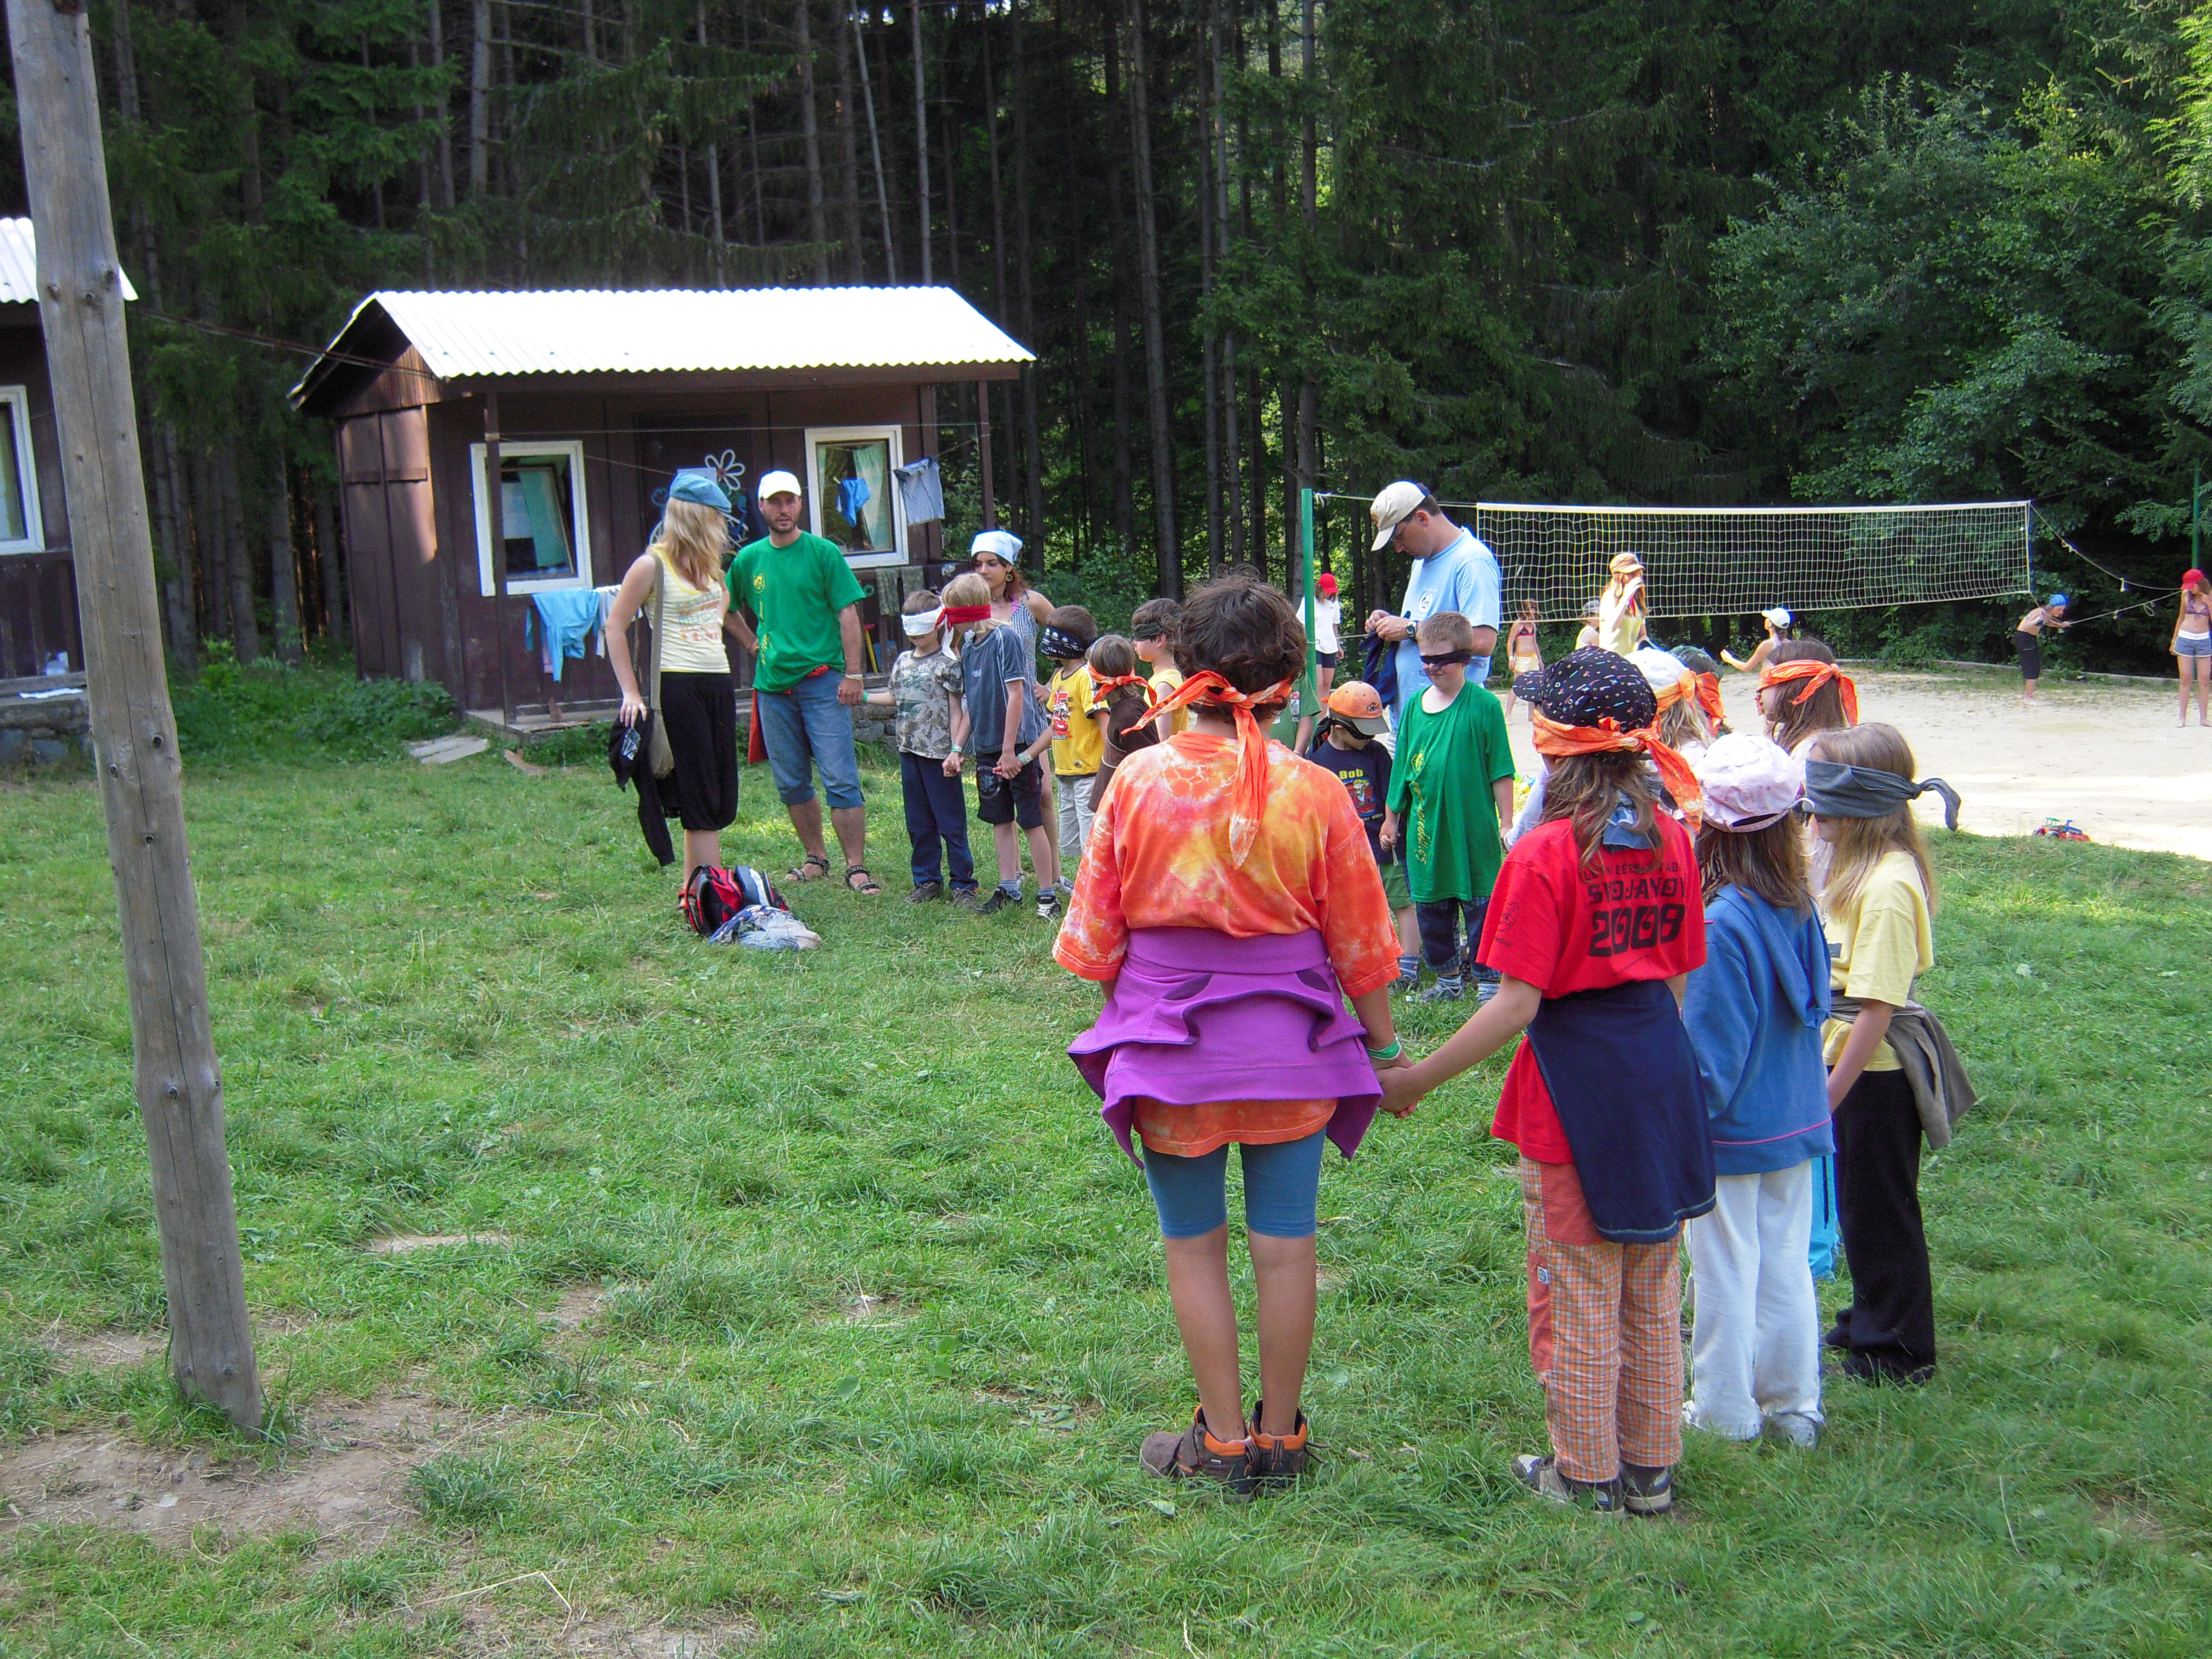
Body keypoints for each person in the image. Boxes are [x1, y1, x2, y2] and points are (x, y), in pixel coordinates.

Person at [1056, 574, 1407, 1498]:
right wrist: (1386, 1051)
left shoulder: (1137, 779)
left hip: (1170, 1054)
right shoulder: (1317, 790)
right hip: (1293, 1050)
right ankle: (1281, 1439)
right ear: (1287, 682)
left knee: (1193, 1245)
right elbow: (1363, 943)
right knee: (1286, 1245)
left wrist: (1139, 998)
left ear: (1185, 667)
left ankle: (1218, 1443)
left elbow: (1094, 944)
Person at [1379, 649, 1711, 1515]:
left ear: (1554, 744)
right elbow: (1679, 979)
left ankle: (1586, 1474)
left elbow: (1517, 1003)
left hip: (1575, 1090)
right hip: (1660, 1079)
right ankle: (1651, 1471)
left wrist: (1417, 1079)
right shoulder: (1675, 837)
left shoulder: (1545, 853)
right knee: (1651, 1280)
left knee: (1577, 1286)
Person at [1680, 734, 1834, 1450]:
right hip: (1795, 1119)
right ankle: (1795, 1406)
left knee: (1723, 1269)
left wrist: (1682, 1128)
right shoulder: (1797, 903)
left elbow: (1711, 1058)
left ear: (1710, 824)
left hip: (1733, 1130)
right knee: (1784, 1264)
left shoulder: (1720, 923)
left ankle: (1725, 1410)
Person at [1806, 724, 1971, 1387]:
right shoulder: (1852, 868)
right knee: (1856, 1205)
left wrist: (1832, 1094)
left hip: (1873, 1073)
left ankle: (1898, 1351)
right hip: (1845, 1059)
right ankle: (1867, 1319)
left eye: (1823, 792)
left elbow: (1877, 1007)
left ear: (1862, 802)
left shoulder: (1889, 885)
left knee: (1880, 1208)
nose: (1810, 806)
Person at [729, 469, 879, 895]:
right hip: (773, 687)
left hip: (822, 683)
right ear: (761, 506)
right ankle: (816, 857)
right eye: (775, 502)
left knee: (840, 777)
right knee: (791, 781)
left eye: (790, 501)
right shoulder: (748, 559)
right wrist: (751, 643)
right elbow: (726, 606)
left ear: (799, 504)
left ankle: (856, 866)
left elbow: (848, 613)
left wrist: (853, 674)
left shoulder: (822, 552)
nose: (783, 509)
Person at [606, 471, 743, 890]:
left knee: (718, 786)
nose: (722, 525)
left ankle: (693, 890)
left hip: (718, 680)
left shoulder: (711, 567)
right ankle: (714, 893)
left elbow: (720, 606)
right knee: (699, 790)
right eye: (717, 516)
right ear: (697, 517)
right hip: (678, 685)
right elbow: (614, 627)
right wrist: (631, 692)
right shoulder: (652, 565)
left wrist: (713, 623)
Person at [1381, 612, 1515, 1004]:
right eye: (1426, 659)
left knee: (1481, 906)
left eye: (1442, 660)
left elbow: (1501, 768)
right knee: (1431, 908)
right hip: (1427, 833)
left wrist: (1507, 822)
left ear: (1466, 658)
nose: (1431, 668)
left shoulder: (1484, 706)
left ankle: (1489, 983)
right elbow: (1402, 767)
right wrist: (1391, 818)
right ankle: (1448, 980)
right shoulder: (1414, 707)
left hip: (1473, 831)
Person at [942, 572, 1059, 917]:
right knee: (999, 819)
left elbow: (1016, 694)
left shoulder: (1005, 638)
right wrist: (957, 749)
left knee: (1031, 819)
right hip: (988, 748)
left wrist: (1011, 753)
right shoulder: (968, 647)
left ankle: (1047, 894)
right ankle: (1009, 888)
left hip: (1017, 747)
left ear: (965, 610)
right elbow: (973, 705)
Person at [864, 589, 977, 907]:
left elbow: (956, 710)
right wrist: (863, 697)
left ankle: (963, 884)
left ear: (938, 625)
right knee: (918, 822)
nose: (916, 638)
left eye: (922, 631)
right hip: (909, 753)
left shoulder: (949, 664)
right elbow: (895, 697)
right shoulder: (903, 662)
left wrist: (956, 750)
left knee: (951, 822)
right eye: (911, 632)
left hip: (940, 756)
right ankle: (926, 880)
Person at [1305, 682, 1419, 985]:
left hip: (1384, 848)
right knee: (1355, 910)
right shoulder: (1317, 762)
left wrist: (1391, 825)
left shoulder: (1377, 753)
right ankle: (1366, 960)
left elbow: (1393, 793)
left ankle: (1410, 962)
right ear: (1339, 729)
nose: (1370, 738)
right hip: (1345, 853)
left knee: (1402, 902)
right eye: (1364, 732)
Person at [1363, 481, 1503, 726]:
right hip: (1412, 718)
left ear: (1422, 518)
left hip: (1448, 721)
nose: (1398, 548)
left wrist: (1410, 629)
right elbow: (1425, 622)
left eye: (1399, 537)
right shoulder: (1421, 562)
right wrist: (1389, 623)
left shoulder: (1472, 561)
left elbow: (1483, 640)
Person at [1044, 605, 1103, 885]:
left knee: (1092, 839)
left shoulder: (1086, 678)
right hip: (1065, 773)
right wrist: (1026, 756)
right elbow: (1055, 724)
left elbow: (1104, 721)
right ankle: (1087, 888)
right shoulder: (1059, 678)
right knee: (1073, 842)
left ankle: (1096, 891)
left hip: (1088, 772)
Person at [1084, 633, 1161, 808]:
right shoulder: (1123, 707)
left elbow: (1148, 770)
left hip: (1125, 809)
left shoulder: (1129, 716)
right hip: (1114, 808)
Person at [1760, 639, 1857, 768]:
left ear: (1793, 688)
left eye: (1765, 682)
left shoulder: (1810, 754)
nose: (1758, 692)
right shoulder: (1824, 743)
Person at [1132, 597, 1190, 740]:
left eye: (1139, 636)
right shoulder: (1171, 677)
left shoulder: (1164, 685)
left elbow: (1161, 740)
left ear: (1159, 640)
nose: (1134, 642)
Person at [2014, 593, 2071, 705]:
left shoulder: (2047, 614)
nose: (2061, 612)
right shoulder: (2040, 612)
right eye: (2059, 609)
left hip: (2031, 638)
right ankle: (2028, 698)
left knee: (2035, 667)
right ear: (2052, 607)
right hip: (2024, 637)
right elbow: (2024, 627)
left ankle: (2029, 695)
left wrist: (2061, 625)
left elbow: (2048, 622)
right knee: (2032, 667)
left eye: (2063, 610)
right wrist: (2038, 620)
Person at [2176, 568, 2212, 726]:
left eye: (2192, 586)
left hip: (2203, 639)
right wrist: (2174, 639)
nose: (2190, 589)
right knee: (2185, 678)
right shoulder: (2185, 595)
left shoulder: (2210, 595)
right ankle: (2182, 717)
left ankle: (2204, 718)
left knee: (2204, 679)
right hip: (2185, 637)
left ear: (2200, 583)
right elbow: (2181, 617)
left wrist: (2209, 604)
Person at [1596, 552, 1647, 656]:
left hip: (1630, 659)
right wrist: (1626, 597)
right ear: (1618, 576)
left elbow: (1643, 635)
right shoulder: (1610, 596)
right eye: (1631, 573)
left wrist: (1641, 644)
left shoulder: (1636, 601)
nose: (1636, 576)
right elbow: (1612, 628)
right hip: (1611, 659)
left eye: (1637, 572)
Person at [1500, 600, 1543, 722]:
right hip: (1521, 658)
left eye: (1533, 614)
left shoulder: (1533, 625)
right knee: (1517, 685)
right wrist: (1511, 659)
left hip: (1533, 657)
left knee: (1533, 686)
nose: (1531, 616)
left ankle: (1531, 715)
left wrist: (1540, 659)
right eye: (1530, 614)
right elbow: (1510, 643)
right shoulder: (1518, 624)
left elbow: (1535, 643)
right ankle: (1508, 714)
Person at [1722, 608, 1794, 674]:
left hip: (1770, 681)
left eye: (1768, 618)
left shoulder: (1766, 645)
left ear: (1770, 624)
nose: (1766, 620)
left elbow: (1747, 667)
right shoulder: (1790, 644)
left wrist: (1729, 659)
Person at [1311, 572, 1344, 702]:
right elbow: (1301, 623)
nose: (1329, 594)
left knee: (1326, 685)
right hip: (1315, 646)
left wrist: (1338, 646)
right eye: (1327, 590)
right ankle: (1314, 712)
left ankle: (1323, 714)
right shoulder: (1309, 601)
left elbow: (1334, 624)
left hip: (1330, 646)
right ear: (1319, 587)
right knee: (1318, 683)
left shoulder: (1334, 603)